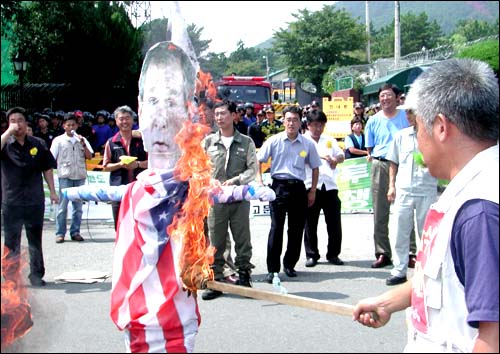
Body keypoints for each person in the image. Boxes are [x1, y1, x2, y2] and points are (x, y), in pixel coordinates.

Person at [353, 58, 499, 353]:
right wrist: (387, 302)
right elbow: (446, 278)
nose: (417, 140)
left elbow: (492, 338)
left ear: (441, 127)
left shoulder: (480, 210)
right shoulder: (467, 191)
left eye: (418, 127)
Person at [110, 41, 200, 353]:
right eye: (152, 102)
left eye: (172, 103)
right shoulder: (134, 194)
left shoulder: (193, 189)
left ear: (189, 111)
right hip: (138, 326)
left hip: (178, 325)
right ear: (140, 107)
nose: (160, 119)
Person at [256, 105, 322, 283]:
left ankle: (290, 265)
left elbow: (315, 168)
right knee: (276, 229)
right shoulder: (274, 141)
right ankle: (273, 269)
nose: (291, 123)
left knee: (296, 229)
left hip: (299, 188)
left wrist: (313, 191)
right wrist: (260, 182)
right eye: (288, 119)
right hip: (278, 188)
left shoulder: (307, 144)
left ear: (301, 122)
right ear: (283, 121)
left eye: (295, 119)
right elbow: (258, 160)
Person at [201, 100, 258, 300]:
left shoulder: (246, 142)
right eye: (216, 114)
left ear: (234, 116)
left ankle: (244, 276)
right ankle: (215, 281)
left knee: (242, 239)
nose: (219, 118)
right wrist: (208, 182)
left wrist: (235, 181)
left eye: (223, 114)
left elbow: (253, 169)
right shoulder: (208, 142)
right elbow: (198, 166)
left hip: (238, 199)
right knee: (215, 241)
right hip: (215, 201)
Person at [1, 106, 59, 287]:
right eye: (13, 121)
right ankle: (10, 278)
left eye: (20, 121)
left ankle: (36, 274)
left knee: (35, 238)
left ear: (26, 124)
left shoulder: (38, 144)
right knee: (11, 240)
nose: (17, 124)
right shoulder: (5, 144)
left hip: (34, 200)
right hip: (11, 200)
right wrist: (8, 132)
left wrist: (53, 191)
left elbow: (47, 168)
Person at [384, 95, 438, 286]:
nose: (407, 115)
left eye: (411, 111)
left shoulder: (431, 136)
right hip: (404, 190)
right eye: (406, 111)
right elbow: (393, 162)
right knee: (400, 231)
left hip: (427, 189)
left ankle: (425, 271)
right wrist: (391, 186)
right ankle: (399, 270)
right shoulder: (401, 136)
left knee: (426, 233)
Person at [364, 83, 409, 268]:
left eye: (389, 95)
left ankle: (410, 252)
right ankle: (382, 252)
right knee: (380, 212)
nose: (385, 99)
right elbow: (369, 148)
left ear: (397, 97)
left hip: (404, 165)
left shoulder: (406, 117)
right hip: (381, 164)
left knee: (406, 208)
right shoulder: (373, 120)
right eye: (382, 96)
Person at [302, 109, 345, 268]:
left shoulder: (329, 140)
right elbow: (302, 156)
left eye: (321, 125)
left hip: (330, 185)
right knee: (310, 223)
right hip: (310, 185)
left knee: (334, 222)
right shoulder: (303, 140)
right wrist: (322, 157)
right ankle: (312, 254)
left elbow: (341, 155)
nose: (318, 128)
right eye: (314, 125)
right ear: (308, 125)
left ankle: (333, 253)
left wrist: (336, 159)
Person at [102, 105, 147, 230]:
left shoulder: (143, 140)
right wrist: (120, 165)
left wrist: (137, 164)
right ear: (116, 121)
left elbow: (152, 162)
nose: (124, 122)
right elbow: (105, 166)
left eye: (127, 118)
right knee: (119, 225)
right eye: (121, 119)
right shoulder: (111, 142)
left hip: (140, 188)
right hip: (118, 189)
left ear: (133, 120)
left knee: (140, 225)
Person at [50, 113, 93, 243]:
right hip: (65, 176)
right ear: (64, 126)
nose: (71, 127)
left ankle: (75, 232)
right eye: (68, 125)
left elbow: (90, 156)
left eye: (73, 124)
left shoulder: (82, 139)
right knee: (62, 206)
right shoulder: (58, 140)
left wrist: (83, 144)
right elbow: (51, 157)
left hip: (79, 176)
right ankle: (60, 233)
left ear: (77, 125)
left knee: (78, 208)